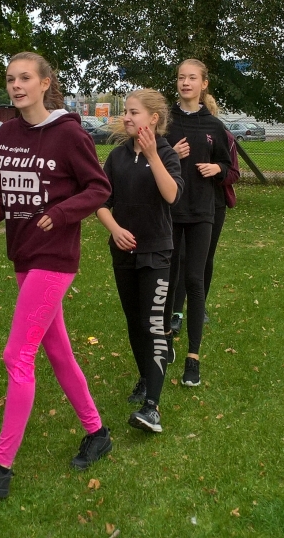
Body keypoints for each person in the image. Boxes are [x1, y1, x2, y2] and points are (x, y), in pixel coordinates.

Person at [0, 52, 112, 499]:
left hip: (55, 257)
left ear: (44, 84)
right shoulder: (6, 134)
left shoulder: (69, 134)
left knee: (17, 355)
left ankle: (0, 466)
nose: (16, 86)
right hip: (22, 253)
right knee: (57, 351)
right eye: (9, 79)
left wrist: (62, 213)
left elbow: (99, 188)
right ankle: (97, 432)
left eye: (24, 78)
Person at [96, 89, 183, 433]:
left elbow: (172, 195)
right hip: (123, 252)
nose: (127, 118)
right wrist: (115, 229)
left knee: (153, 324)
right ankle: (146, 378)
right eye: (126, 112)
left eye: (134, 112)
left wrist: (153, 156)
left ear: (153, 118)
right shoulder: (117, 157)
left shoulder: (166, 153)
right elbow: (102, 202)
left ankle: (152, 408)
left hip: (156, 252)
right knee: (134, 322)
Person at [163, 59, 232, 387]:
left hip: (203, 212)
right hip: (170, 211)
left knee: (195, 279)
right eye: (181, 77)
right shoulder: (166, 121)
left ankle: (193, 358)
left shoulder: (214, 126)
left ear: (204, 84)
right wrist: (170, 154)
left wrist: (217, 169)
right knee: (168, 277)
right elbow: (149, 160)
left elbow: (227, 166)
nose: (185, 83)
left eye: (192, 78)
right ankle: (166, 341)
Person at [169, 127, 240, 333]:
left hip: (214, 205)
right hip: (182, 204)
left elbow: (233, 172)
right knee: (181, 257)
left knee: (205, 257)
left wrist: (217, 169)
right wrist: (173, 155)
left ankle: (199, 308)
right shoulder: (176, 130)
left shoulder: (223, 135)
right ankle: (176, 312)